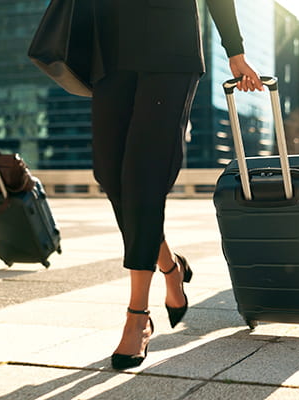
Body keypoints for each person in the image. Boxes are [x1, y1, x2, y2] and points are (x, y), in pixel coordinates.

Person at [91, 0, 262, 369]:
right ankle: (171, 266)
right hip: (109, 49)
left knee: (144, 179)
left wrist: (235, 50)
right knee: (110, 175)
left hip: (169, 49)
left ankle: (138, 315)